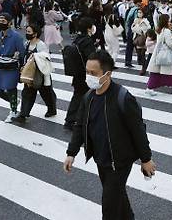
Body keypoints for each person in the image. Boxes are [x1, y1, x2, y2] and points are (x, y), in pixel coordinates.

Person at [64, 50, 156, 220]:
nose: (89, 76)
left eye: (93, 73)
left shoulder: (123, 98)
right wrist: (71, 153)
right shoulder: (88, 97)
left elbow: (138, 130)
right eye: (87, 72)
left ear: (107, 74)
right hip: (101, 157)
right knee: (117, 195)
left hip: (120, 161)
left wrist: (146, 159)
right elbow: (80, 125)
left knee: (109, 206)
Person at [16, 25, 57, 122]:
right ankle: (23, 114)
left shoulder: (41, 45)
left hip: (40, 73)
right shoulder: (26, 44)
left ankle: (52, 109)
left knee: (46, 92)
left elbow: (46, 58)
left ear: (35, 34)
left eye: (29, 32)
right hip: (29, 73)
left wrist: (36, 57)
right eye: (26, 31)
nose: (27, 33)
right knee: (27, 93)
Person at [63, 17, 97, 131]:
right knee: (82, 96)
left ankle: (73, 119)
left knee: (79, 96)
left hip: (77, 73)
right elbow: (91, 57)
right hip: (85, 75)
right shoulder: (87, 41)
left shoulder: (78, 39)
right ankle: (71, 120)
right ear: (88, 28)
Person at [0, 13, 26, 122]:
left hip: (12, 66)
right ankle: (14, 101)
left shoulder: (17, 37)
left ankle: (13, 110)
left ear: (10, 22)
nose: (1, 23)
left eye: (3, 21)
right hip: (0, 65)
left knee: (11, 89)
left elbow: (22, 53)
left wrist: (21, 66)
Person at [146, 13, 172, 95]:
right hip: (165, 53)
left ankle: (150, 87)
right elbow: (170, 44)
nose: (170, 21)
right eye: (169, 20)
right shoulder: (167, 31)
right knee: (170, 70)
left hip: (158, 52)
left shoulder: (159, 29)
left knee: (156, 72)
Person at [131, 9, 151, 75]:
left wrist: (141, 29)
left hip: (143, 39)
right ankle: (145, 66)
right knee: (139, 54)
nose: (139, 13)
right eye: (138, 12)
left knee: (142, 54)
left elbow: (148, 28)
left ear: (143, 13)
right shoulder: (136, 20)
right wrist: (135, 26)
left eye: (140, 12)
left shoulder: (145, 20)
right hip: (137, 38)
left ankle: (143, 69)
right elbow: (132, 28)